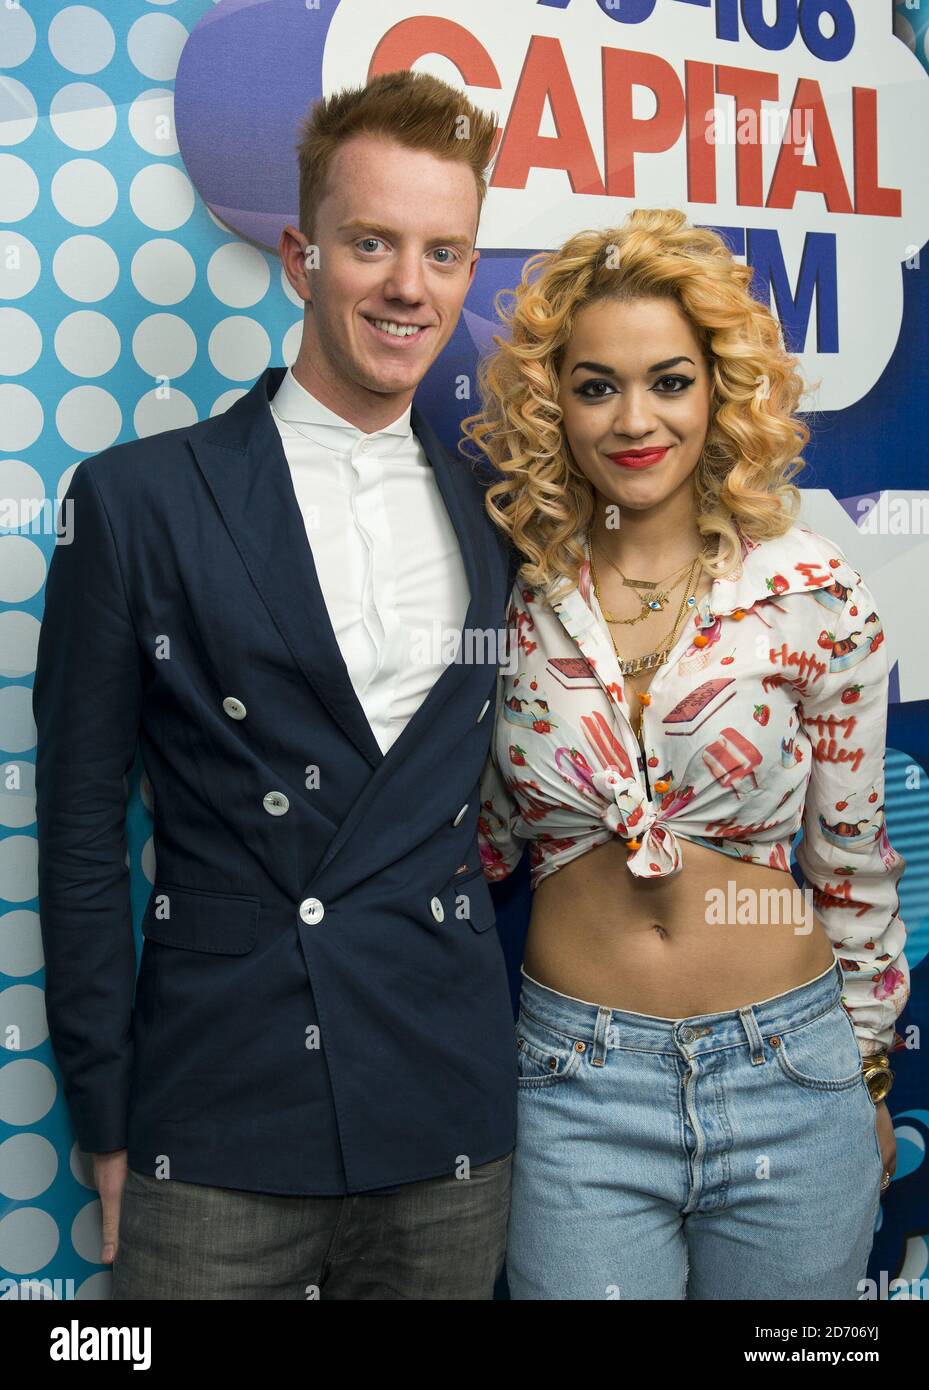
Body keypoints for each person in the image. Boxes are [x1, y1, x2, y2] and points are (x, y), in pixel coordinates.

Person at [32, 70, 519, 1300]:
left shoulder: (503, 518)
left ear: (467, 273)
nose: (408, 287)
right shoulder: (137, 501)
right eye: (371, 244)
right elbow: (82, 832)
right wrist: (104, 1110)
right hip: (215, 1108)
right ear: (302, 258)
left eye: (442, 252)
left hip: (445, 1111)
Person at [462, 208, 908, 1300]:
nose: (633, 420)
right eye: (594, 385)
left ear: (717, 391)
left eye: (667, 380)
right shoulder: (503, 601)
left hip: (792, 1076)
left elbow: (849, 859)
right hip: (574, 1086)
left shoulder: (811, 591)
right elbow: (469, 852)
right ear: (549, 403)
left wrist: (860, 1066)